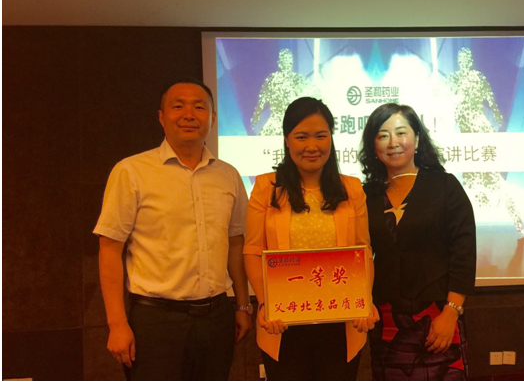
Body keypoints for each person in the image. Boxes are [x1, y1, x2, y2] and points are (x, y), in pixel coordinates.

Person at [94, 80, 251, 380]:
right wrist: (117, 324)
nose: (189, 114)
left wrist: (242, 305)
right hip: (156, 321)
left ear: (213, 118)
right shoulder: (132, 171)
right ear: (161, 117)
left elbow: (235, 243)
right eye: (178, 106)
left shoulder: (228, 175)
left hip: (217, 318)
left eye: (199, 107)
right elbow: (110, 249)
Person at [244, 97, 379, 381]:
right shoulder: (266, 187)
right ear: (287, 140)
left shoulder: (351, 189)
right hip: (282, 322)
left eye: (321, 136)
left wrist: (364, 300)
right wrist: (267, 304)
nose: (312, 146)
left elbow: (363, 251)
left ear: (331, 138)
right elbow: (253, 250)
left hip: (341, 322)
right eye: (301, 136)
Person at [359, 103, 476, 380]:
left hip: (438, 314)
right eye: (383, 135)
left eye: (401, 133)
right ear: (373, 146)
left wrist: (451, 312)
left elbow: (464, 252)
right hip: (386, 318)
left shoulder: (444, 186)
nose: (393, 142)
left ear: (418, 139)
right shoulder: (366, 195)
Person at [447, 47, 524, 242]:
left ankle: (519, 227)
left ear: (470, 61)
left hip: (481, 142)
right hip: (466, 149)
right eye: (461, 59)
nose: (464, 62)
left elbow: (490, 97)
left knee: (500, 186)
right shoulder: (454, 79)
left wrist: (496, 113)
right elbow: (444, 95)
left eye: (466, 58)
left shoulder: (478, 78)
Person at [250, 48, 310, 135]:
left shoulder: (299, 80)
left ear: (291, 63)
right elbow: (261, 100)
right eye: (285, 61)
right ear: (279, 63)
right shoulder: (272, 79)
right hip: (276, 122)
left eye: (289, 61)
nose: (287, 63)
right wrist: (256, 116)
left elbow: (309, 99)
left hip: (294, 122)